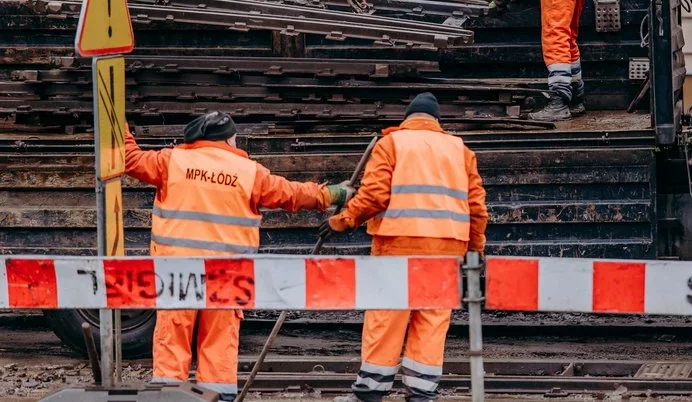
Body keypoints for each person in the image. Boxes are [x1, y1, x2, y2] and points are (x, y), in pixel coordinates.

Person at [124, 111, 353, 401]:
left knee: (173, 340)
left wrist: (116, 121)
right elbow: (291, 195)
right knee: (219, 345)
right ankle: (219, 397)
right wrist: (332, 194)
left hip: (177, 274)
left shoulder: (171, 162)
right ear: (229, 139)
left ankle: (170, 397)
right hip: (228, 276)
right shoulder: (249, 172)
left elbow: (129, 159)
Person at [326, 93, 488, 402]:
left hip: (398, 241)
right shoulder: (460, 150)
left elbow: (374, 196)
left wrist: (343, 221)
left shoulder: (392, 144)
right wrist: (475, 249)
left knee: (388, 314)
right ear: (437, 122)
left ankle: (370, 392)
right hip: (448, 244)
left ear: (408, 119)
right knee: (432, 316)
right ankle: (422, 392)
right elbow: (477, 208)